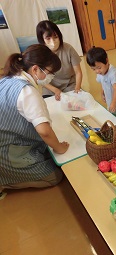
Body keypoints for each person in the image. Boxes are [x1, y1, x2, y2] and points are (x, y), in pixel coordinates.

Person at [0, 44, 70, 200]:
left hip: (8, 141)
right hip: (6, 153)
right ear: (36, 69)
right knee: (55, 175)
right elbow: (44, 131)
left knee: (46, 153)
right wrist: (59, 147)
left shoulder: (9, 78)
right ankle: (4, 182)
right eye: (50, 72)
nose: (51, 77)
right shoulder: (27, 91)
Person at [36, 20, 82, 100]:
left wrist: (77, 88)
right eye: (48, 38)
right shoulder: (40, 54)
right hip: (50, 89)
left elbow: (78, 72)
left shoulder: (68, 49)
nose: (53, 41)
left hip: (69, 85)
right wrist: (56, 90)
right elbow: (40, 79)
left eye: (55, 37)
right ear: (42, 40)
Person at [86, 47, 116, 125]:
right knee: (111, 114)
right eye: (93, 69)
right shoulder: (100, 72)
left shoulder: (114, 73)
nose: (97, 71)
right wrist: (102, 93)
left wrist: (113, 103)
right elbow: (103, 83)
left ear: (106, 60)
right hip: (111, 97)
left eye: (99, 68)